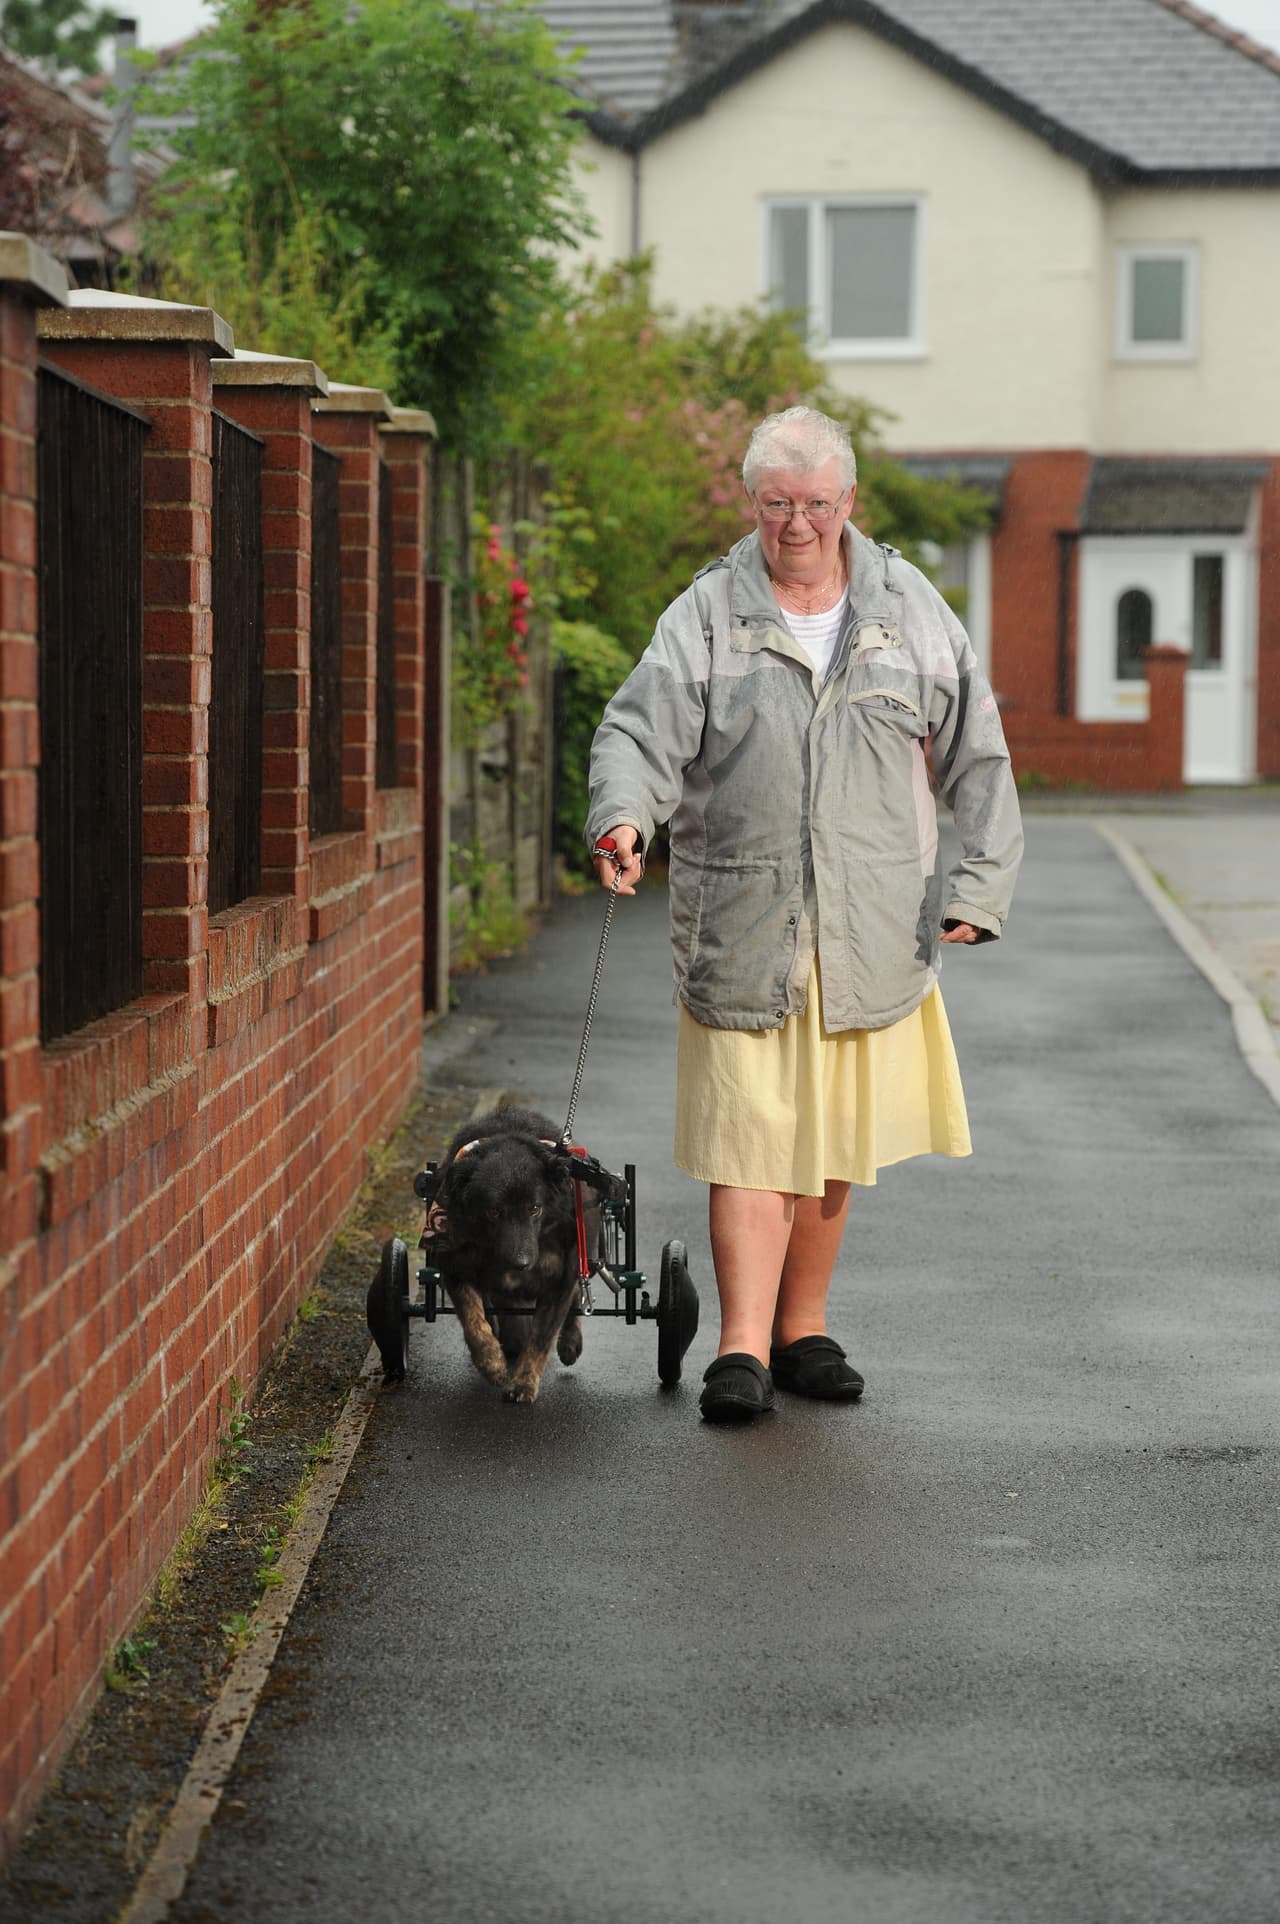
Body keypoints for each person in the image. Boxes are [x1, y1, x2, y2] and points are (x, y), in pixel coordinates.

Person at [585, 406, 1022, 1423]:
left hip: (870, 926)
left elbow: (978, 756)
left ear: (846, 503)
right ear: (750, 503)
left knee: (830, 1140)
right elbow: (635, 734)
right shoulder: (703, 614)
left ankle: (801, 1329)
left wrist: (979, 885)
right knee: (748, 1131)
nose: (796, 525)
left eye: (815, 504)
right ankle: (738, 1346)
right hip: (740, 918)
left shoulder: (910, 609)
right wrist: (622, 821)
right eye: (777, 504)